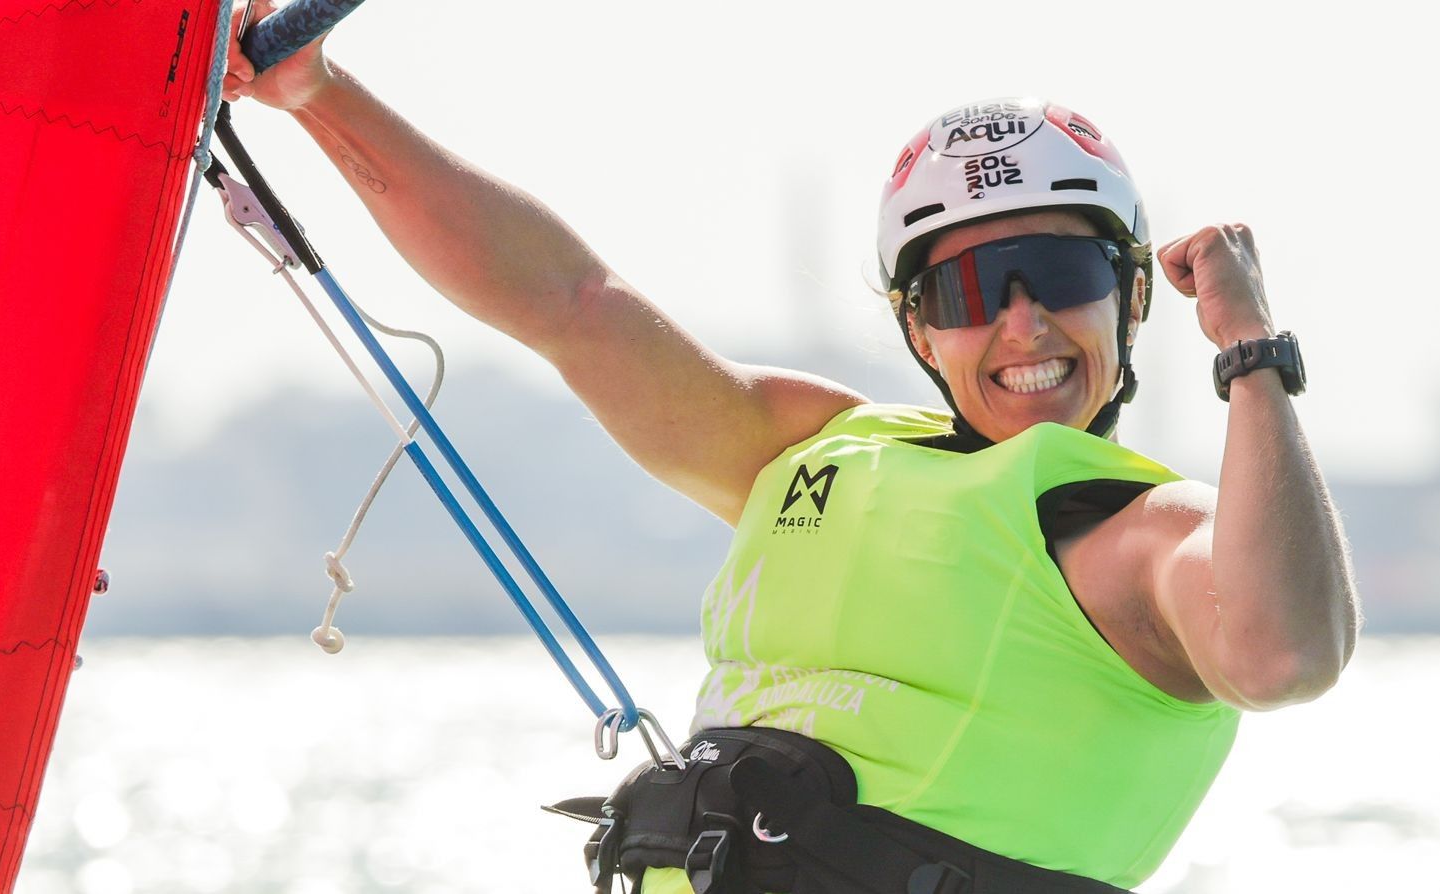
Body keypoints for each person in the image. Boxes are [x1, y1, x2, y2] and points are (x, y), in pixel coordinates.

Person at [224, 4, 1360, 892]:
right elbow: (571, 303)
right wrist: (315, 95)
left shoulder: (1145, 539)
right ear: (917, 327)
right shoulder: (808, 445)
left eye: (1059, 279)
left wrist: (1251, 349)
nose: (1020, 323)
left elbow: (1282, 659)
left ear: (1123, 300)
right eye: (966, 288)